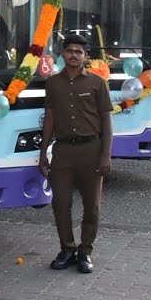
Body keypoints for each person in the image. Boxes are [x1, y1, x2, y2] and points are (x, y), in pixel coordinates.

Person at [39, 33, 112, 274]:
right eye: (70, 50)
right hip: (63, 152)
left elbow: (106, 120)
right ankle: (67, 249)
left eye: (79, 52)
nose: (74, 55)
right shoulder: (53, 84)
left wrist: (105, 155)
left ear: (86, 57)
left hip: (91, 151)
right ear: (63, 54)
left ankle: (85, 252)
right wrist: (43, 154)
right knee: (61, 203)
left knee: (92, 207)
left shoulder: (97, 83)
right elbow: (49, 119)